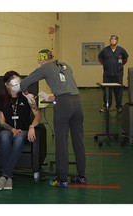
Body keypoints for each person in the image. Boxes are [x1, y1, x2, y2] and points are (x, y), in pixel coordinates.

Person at [19, 49, 87, 188]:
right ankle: (82, 176)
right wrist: (51, 96)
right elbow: (65, 86)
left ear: (43, 60)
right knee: (78, 140)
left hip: (63, 106)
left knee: (61, 142)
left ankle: (62, 179)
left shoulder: (45, 67)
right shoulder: (65, 65)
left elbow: (23, 83)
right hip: (77, 103)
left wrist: (26, 93)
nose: (40, 64)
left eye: (40, 61)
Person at [0, 71, 41, 190]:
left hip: (24, 130)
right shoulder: (2, 99)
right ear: (7, 85)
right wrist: (13, 129)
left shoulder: (27, 97)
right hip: (8, 129)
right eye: (13, 83)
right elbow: (2, 122)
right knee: (4, 137)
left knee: (19, 138)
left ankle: (5, 175)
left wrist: (32, 127)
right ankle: (8, 177)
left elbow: (37, 115)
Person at [98, 35, 129, 113]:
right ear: (109, 40)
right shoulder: (105, 50)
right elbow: (100, 58)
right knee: (106, 92)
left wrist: (119, 66)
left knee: (118, 91)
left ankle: (119, 107)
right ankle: (106, 106)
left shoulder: (121, 50)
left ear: (117, 41)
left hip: (118, 75)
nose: (113, 40)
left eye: (114, 39)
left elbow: (125, 59)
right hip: (107, 75)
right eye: (112, 39)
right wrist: (106, 65)